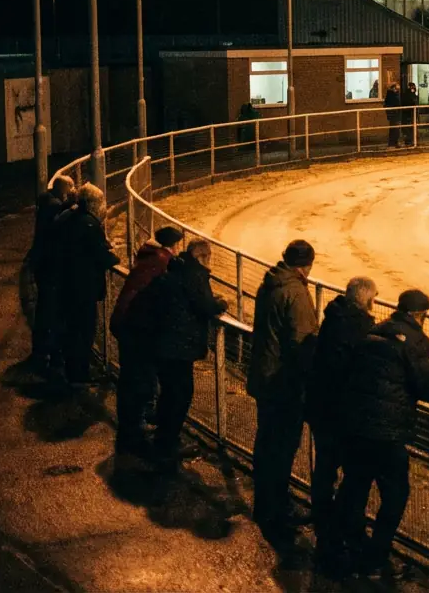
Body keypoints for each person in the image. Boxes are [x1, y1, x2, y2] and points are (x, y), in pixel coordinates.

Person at [335, 289, 429, 578]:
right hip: (388, 433)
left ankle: (348, 544)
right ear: (420, 315)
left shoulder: (376, 329)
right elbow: (426, 386)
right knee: (395, 495)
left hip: (359, 425)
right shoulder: (418, 340)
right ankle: (375, 558)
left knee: (355, 486)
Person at [247, 239, 320, 542]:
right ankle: (275, 510)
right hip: (283, 383)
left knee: (266, 444)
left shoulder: (271, 283)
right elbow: (303, 343)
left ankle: (266, 503)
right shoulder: (296, 292)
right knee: (281, 446)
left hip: (265, 376)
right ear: (308, 265)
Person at [307, 276, 378, 572]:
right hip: (344, 415)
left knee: (325, 469)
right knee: (355, 476)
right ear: (368, 300)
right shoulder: (361, 328)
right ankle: (342, 535)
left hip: (321, 409)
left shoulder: (332, 318)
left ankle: (325, 524)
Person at [146, 240, 227, 468]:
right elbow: (206, 305)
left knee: (170, 392)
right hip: (179, 347)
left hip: (165, 343)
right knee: (180, 394)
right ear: (201, 256)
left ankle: (165, 439)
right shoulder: (195, 274)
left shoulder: (177, 268)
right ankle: (167, 445)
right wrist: (221, 303)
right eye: (209, 256)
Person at [110, 225, 184, 455]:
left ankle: (134, 427)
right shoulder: (162, 263)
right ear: (174, 245)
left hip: (129, 325)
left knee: (137, 380)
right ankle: (133, 434)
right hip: (137, 330)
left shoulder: (149, 258)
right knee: (138, 382)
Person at [52, 184, 118, 388]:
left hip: (67, 284)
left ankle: (72, 371)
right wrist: (114, 256)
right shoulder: (89, 224)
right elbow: (101, 255)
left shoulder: (69, 217)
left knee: (72, 330)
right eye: (101, 202)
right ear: (92, 204)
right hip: (82, 288)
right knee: (82, 331)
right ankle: (79, 375)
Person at [29, 175, 75, 368]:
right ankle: (45, 351)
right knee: (49, 309)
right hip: (48, 267)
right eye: (71, 187)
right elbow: (57, 226)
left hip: (41, 264)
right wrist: (70, 209)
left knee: (44, 308)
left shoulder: (47, 201)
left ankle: (41, 349)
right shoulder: (54, 206)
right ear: (64, 189)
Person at [383, 80, 402, 149]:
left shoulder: (394, 94)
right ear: (394, 88)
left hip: (395, 114)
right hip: (394, 114)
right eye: (397, 87)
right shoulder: (392, 95)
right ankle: (394, 143)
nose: (398, 88)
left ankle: (392, 143)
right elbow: (394, 103)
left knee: (394, 129)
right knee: (395, 129)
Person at [401, 81, 419, 146]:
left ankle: (413, 140)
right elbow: (409, 102)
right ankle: (408, 141)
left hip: (412, 113)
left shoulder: (413, 94)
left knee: (412, 128)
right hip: (408, 113)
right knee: (408, 128)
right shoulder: (407, 94)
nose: (413, 88)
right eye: (412, 87)